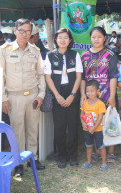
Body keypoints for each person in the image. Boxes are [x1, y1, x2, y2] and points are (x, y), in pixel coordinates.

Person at [0, 18, 46, 177]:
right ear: (15, 31)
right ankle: (18, 163)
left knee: (33, 129)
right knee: (17, 130)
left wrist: (41, 95)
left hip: (33, 95)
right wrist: (3, 99)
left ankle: (32, 159)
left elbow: (41, 74)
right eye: (21, 31)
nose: (25, 34)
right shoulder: (4, 50)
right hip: (14, 97)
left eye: (28, 31)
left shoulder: (35, 51)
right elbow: (0, 76)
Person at [44, 28, 83, 168]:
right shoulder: (50, 55)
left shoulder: (75, 55)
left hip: (72, 93)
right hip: (57, 94)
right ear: (55, 39)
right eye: (60, 37)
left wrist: (73, 95)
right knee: (59, 127)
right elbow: (47, 77)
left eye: (66, 37)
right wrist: (57, 95)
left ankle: (73, 156)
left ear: (70, 40)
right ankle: (61, 156)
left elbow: (79, 76)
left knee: (73, 126)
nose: (63, 40)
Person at [80, 26, 119, 163]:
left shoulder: (110, 55)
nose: (96, 39)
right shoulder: (84, 55)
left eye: (99, 37)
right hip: (91, 97)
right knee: (94, 122)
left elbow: (114, 76)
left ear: (104, 38)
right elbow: (83, 78)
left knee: (110, 123)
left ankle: (111, 152)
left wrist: (112, 96)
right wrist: (82, 95)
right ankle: (97, 151)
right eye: (93, 37)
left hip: (107, 95)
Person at [80, 80, 108, 171]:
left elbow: (100, 118)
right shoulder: (85, 103)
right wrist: (83, 123)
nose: (89, 93)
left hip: (97, 129)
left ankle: (104, 163)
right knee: (88, 145)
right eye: (87, 91)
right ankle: (88, 162)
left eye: (92, 91)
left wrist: (94, 128)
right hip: (86, 129)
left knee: (100, 146)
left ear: (97, 91)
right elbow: (82, 114)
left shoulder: (100, 104)